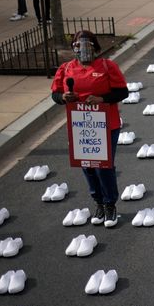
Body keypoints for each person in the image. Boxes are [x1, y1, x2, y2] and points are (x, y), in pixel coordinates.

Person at [51, 31, 129, 228]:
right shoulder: (66, 68)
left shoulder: (106, 66)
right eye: (77, 45)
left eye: (87, 44)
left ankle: (110, 204)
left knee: (104, 165)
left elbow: (122, 91)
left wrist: (102, 99)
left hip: (106, 124)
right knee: (87, 166)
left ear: (94, 46)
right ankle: (99, 203)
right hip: (80, 125)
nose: (82, 48)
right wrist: (64, 98)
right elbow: (56, 93)